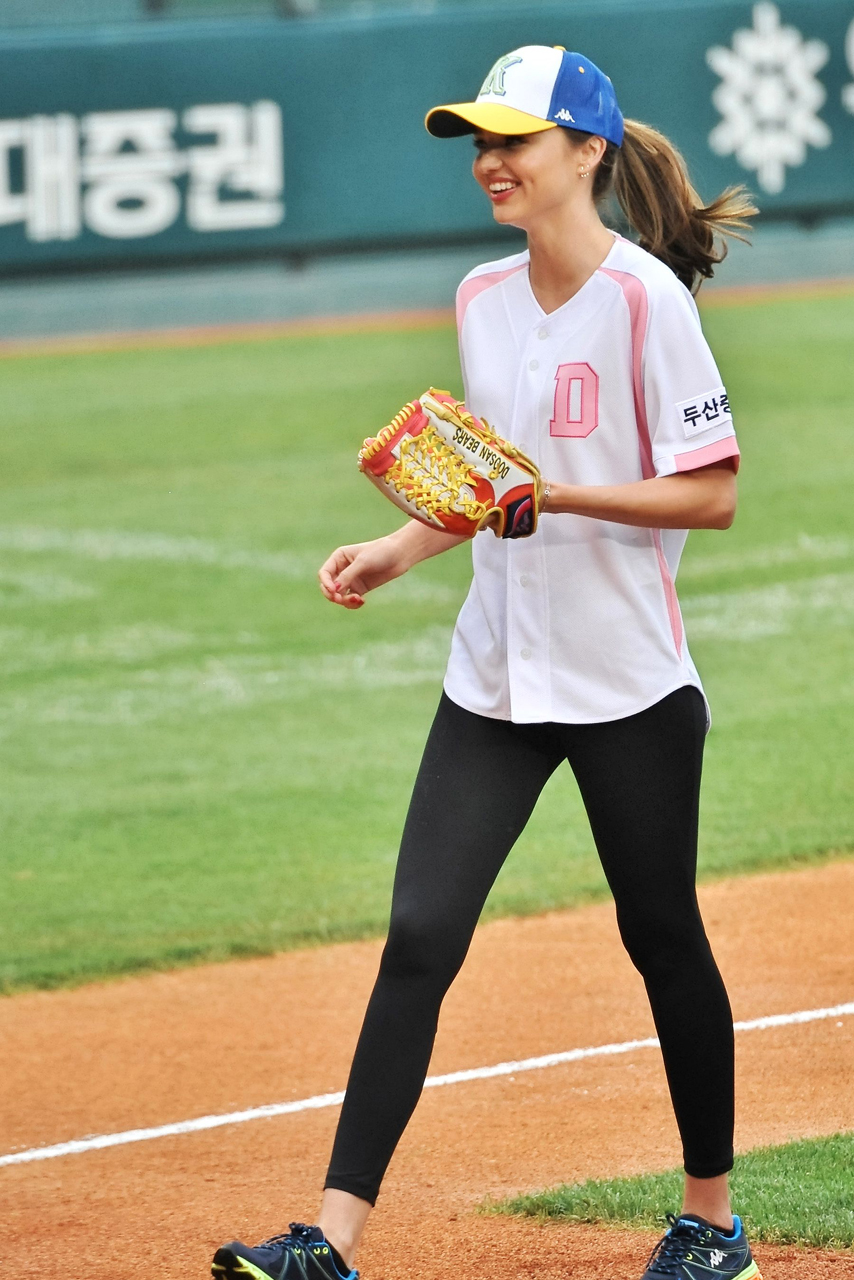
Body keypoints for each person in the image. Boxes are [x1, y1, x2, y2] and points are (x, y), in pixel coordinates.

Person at [212, 45, 761, 1280]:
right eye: (479, 138)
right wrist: (399, 548)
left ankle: (711, 1221)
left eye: (514, 137)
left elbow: (713, 494)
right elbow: (482, 486)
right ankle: (330, 1240)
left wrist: (554, 493)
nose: (490, 159)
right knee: (419, 930)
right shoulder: (476, 297)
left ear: (586, 154)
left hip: (626, 685)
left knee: (660, 931)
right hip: (495, 679)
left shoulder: (642, 302)